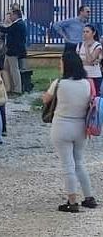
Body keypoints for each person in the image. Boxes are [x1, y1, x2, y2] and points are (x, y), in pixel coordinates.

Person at [42, 52, 98, 213]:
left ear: (66, 65)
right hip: (81, 126)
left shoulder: (59, 83)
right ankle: (89, 197)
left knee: (68, 164)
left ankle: (72, 201)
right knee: (79, 162)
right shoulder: (86, 83)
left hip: (62, 125)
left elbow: (46, 99)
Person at [0, 9, 27, 95]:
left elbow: (6, 30)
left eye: (11, 15)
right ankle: (9, 87)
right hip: (10, 51)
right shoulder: (20, 23)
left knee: (14, 70)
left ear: (16, 15)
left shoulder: (17, 24)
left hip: (13, 51)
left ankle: (17, 89)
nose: (10, 17)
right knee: (6, 69)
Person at [76, 24, 102, 94]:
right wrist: (89, 63)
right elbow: (76, 61)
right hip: (82, 76)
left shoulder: (97, 46)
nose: (85, 34)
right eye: (84, 32)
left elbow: (90, 60)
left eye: (87, 32)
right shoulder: (79, 45)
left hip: (94, 76)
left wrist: (87, 47)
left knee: (95, 96)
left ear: (93, 33)